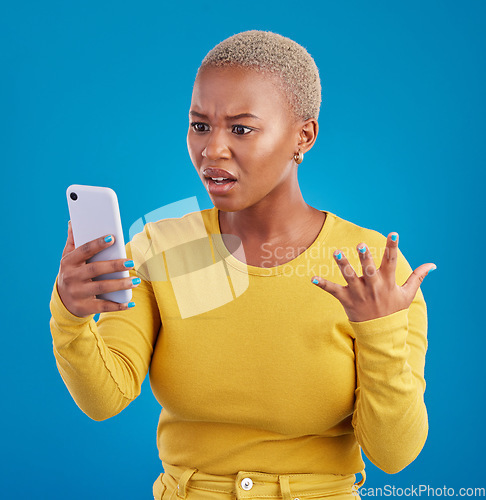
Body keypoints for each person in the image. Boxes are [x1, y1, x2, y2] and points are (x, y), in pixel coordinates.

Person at [49, 30, 436, 500]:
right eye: (200, 125)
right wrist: (71, 317)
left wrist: (381, 331)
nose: (212, 150)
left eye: (241, 128)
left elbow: (394, 455)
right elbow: (104, 399)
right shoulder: (160, 245)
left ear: (304, 136)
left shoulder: (370, 267)